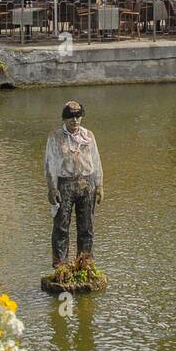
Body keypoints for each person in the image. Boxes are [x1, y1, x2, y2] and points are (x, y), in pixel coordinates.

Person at [45, 101, 103, 269]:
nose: (75, 120)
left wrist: (99, 185)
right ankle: (60, 265)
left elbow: (96, 160)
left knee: (86, 227)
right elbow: (50, 164)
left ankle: (84, 263)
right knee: (61, 227)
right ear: (64, 118)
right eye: (71, 117)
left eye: (78, 116)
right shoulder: (55, 137)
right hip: (64, 185)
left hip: (87, 183)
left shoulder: (89, 136)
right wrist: (52, 188)